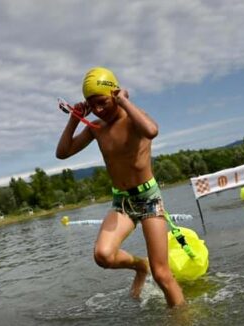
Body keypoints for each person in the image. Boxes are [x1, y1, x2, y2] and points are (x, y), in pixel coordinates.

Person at [56, 67, 184, 307]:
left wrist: (124, 101)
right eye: (91, 105)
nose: (98, 110)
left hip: (148, 199)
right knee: (102, 256)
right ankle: (140, 266)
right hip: (122, 203)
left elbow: (152, 131)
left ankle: (182, 319)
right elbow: (62, 153)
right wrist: (74, 118)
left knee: (163, 275)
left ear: (115, 94)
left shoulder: (133, 118)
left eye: (102, 102)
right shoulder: (96, 129)